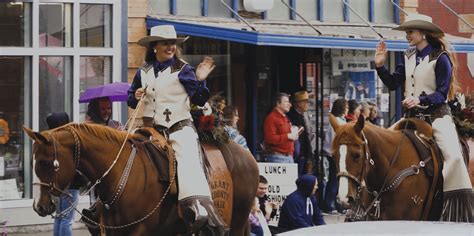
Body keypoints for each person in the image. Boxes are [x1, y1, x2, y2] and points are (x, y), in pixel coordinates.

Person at [374, 13, 473, 222]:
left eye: (411, 31)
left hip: (436, 115)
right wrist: (380, 66)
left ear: (424, 33)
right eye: (407, 31)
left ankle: (458, 208)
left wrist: (419, 100)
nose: (407, 35)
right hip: (411, 117)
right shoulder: (407, 55)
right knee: (381, 146)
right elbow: (393, 83)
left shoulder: (441, 57)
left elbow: (442, 93)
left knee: (454, 157)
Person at [127, 25, 226, 233]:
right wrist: (135, 95)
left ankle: (198, 209)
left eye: (173, 43)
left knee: (187, 160)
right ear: (155, 46)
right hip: (150, 129)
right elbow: (131, 99)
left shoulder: (183, 69)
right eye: (165, 43)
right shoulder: (143, 70)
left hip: (178, 128)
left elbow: (199, 99)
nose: (170, 47)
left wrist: (200, 79)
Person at [46, 112, 80, 236]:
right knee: (67, 220)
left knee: (59, 217)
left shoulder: (51, 141)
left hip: (57, 187)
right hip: (69, 187)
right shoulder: (67, 143)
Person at [321, 98, 348, 214]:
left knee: (337, 180)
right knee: (334, 180)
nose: (347, 110)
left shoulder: (342, 120)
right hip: (335, 154)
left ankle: (336, 204)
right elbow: (334, 139)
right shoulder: (337, 121)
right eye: (346, 107)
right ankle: (328, 204)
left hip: (337, 153)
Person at [263, 92, 298, 163]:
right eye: (286, 102)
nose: (290, 105)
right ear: (278, 103)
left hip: (289, 156)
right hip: (278, 157)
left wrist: (294, 134)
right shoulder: (271, 118)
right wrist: (288, 136)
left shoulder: (285, 118)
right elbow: (270, 139)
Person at [287, 90, 315, 176]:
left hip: (304, 153)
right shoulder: (292, 116)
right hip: (299, 154)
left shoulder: (304, 115)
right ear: (299, 104)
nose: (308, 104)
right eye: (306, 102)